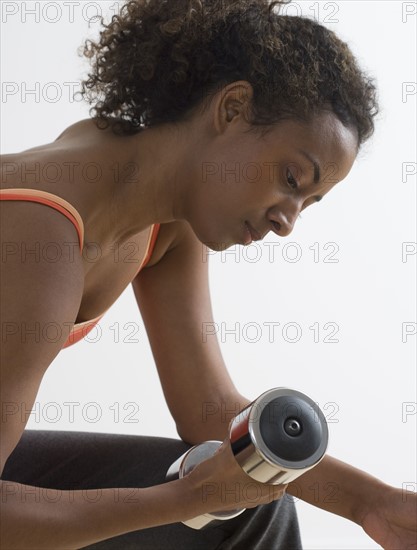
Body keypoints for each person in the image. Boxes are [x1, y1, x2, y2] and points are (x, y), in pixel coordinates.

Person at [1, 0, 416, 548]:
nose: (288, 222)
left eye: (308, 203)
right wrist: (190, 497)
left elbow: (210, 411)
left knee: (253, 510)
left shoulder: (157, 207)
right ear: (233, 108)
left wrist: (374, 504)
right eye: (292, 177)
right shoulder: (41, 230)